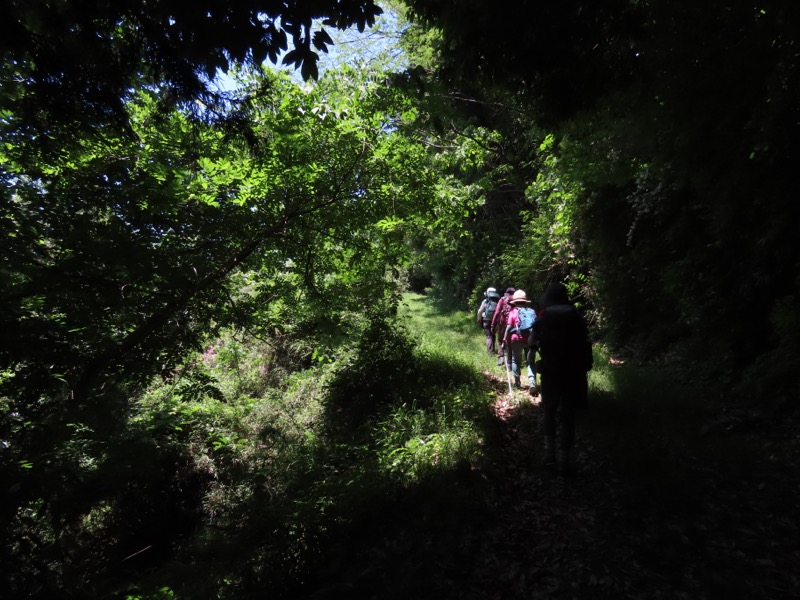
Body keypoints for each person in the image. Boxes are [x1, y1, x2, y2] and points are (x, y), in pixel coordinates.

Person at [532, 282, 593, 475]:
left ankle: (549, 454)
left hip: (550, 371)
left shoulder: (544, 318)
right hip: (573, 373)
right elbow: (585, 342)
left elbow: (532, 341)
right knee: (568, 416)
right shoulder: (576, 317)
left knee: (549, 411)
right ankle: (565, 460)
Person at [503, 289, 537, 389]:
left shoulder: (513, 312)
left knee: (515, 360)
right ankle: (532, 383)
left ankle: (517, 382)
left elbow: (509, 327)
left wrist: (504, 340)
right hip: (530, 339)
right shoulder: (531, 311)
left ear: (515, 301)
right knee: (530, 361)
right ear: (525, 301)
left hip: (516, 338)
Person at [491, 287, 515, 367]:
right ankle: (510, 361)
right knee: (511, 342)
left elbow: (497, 312)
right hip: (514, 324)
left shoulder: (502, 300)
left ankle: (501, 357)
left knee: (500, 340)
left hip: (503, 324)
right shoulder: (517, 300)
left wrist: (493, 324)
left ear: (506, 293)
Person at [476, 287, 501, 354]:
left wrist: (479, 319)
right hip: (496, 320)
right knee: (493, 334)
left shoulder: (486, 301)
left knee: (488, 336)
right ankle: (498, 351)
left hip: (486, 320)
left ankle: (490, 352)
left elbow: (480, 311)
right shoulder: (499, 301)